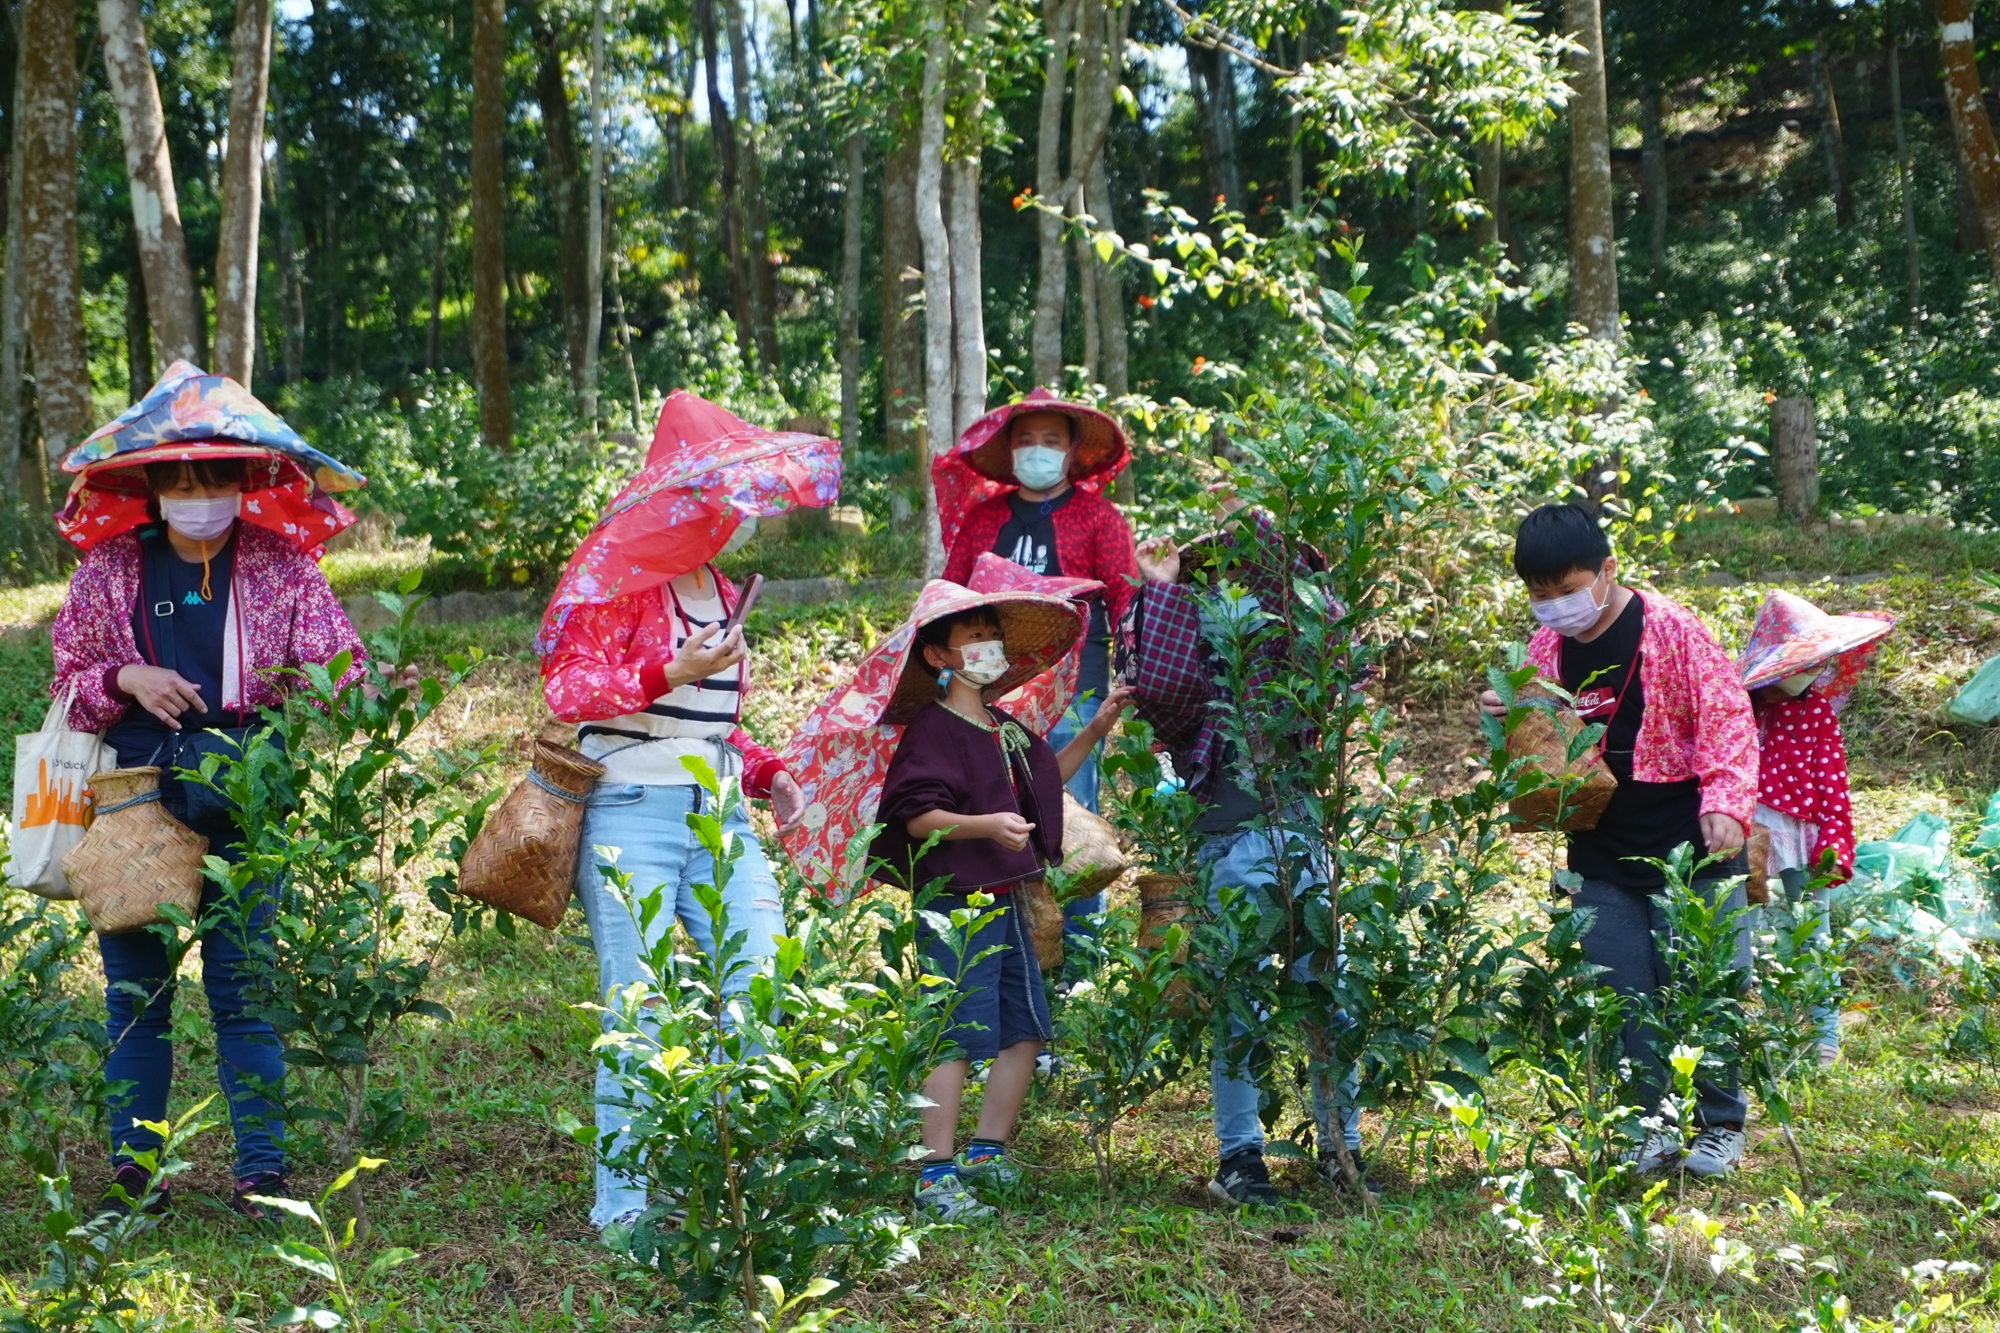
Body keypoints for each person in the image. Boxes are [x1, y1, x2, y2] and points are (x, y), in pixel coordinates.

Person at [52, 445, 373, 1221]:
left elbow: (344, 676)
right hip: (135, 800)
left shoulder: (282, 566)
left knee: (245, 990)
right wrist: (125, 677)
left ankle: (262, 1174)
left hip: (246, 796)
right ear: (154, 489)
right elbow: (66, 683)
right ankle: (136, 1175)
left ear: (243, 483)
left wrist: (357, 693)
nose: (199, 496)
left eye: (214, 480)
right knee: (136, 996)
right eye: (182, 482)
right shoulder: (109, 569)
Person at [1478, 503, 1759, 1178]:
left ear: (1607, 570)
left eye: (1567, 590)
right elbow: (1538, 745)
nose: (1555, 607)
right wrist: (1505, 713)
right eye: (1540, 595)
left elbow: (1727, 716)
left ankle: (1720, 1123)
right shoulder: (1546, 650)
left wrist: (1727, 803)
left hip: (1689, 837)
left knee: (1703, 982)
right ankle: (1649, 1126)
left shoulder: (1671, 629)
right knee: (1622, 989)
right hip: (1600, 842)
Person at [542, 557, 809, 1239]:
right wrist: (668, 670)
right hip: (628, 807)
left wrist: (770, 773)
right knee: (638, 1004)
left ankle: (711, 1172)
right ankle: (624, 1207)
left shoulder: (726, 591)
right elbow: (567, 690)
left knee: (764, 974)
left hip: (719, 811)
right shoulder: (621, 585)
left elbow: (706, 726)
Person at [1123, 494, 1370, 1207]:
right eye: (1216, 577)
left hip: (1303, 838)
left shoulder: (1290, 655)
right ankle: (1240, 1156)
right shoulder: (1192, 656)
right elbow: (1161, 685)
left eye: (1248, 573)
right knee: (1240, 1003)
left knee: (1328, 998)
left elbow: (1332, 647)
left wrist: (1260, 528)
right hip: (1228, 843)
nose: (1233, 588)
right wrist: (1164, 587)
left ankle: (1340, 1145)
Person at [870, 594, 1130, 1222]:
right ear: (939, 656)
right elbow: (917, 815)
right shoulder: (933, 728)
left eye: (994, 635)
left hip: (1009, 898)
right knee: (953, 1032)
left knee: (1025, 1026)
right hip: (955, 905)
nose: (990, 647)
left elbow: (1044, 783)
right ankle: (935, 1173)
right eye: (975, 636)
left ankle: (986, 1152)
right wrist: (983, 825)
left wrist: (1094, 731)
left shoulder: (1004, 726)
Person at [938, 391, 1138, 938]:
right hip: (987, 691)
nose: (1037, 449)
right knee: (990, 810)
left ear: (1072, 451)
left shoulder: (1098, 518)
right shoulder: (983, 519)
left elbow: (1127, 604)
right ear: (1008, 451)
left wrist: (1136, 680)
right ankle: (1005, 943)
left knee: (1069, 811)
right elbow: (949, 599)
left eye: (1051, 440)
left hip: (1075, 692)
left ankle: (1079, 949)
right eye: (1025, 440)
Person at [1737, 590, 1894, 1066]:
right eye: (1803, 663)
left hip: (1805, 836)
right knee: (1742, 932)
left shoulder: (1816, 712)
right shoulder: (1739, 708)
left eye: (1816, 663)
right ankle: (1741, 1034)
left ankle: (1825, 1039)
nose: (1812, 671)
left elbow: (1833, 784)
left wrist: (1835, 844)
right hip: (1746, 832)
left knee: (1814, 933)